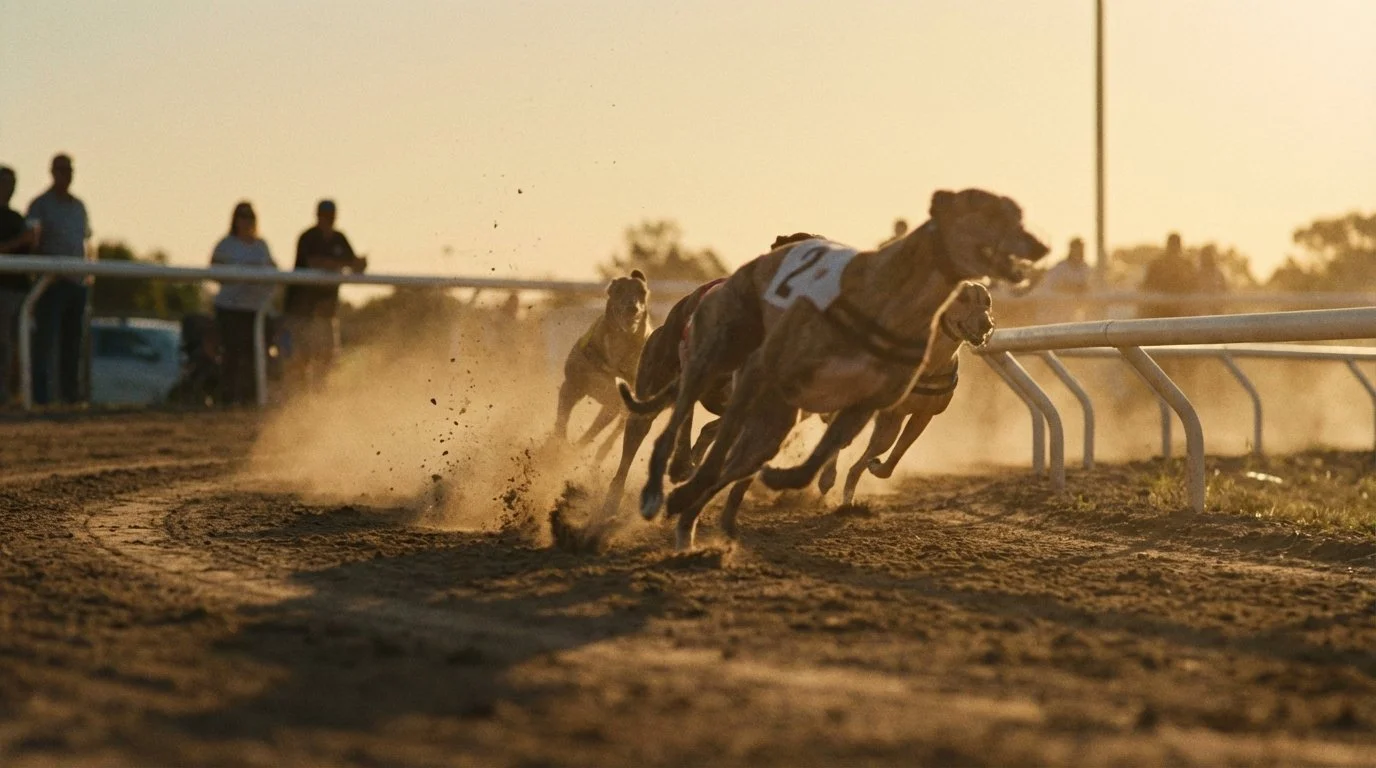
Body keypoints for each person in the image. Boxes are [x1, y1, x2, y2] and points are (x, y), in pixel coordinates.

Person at [25, 153, 93, 405]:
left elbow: (86, 241)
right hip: (51, 284)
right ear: (52, 172)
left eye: (70, 170)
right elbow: (33, 240)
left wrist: (89, 274)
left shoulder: (79, 206)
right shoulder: (40, 204)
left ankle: (70, 396)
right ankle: (40, 398)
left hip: (77, 283)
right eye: (62, 170)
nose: (67, 175)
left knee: (73, 344)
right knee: (45, 342)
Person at [282, 199, 365, 393]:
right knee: (300, 358)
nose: (327, 219)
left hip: (326, 312)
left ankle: (319, 394)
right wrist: (343, 263)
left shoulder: (339, 238)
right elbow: (315, 262)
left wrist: (357, 263)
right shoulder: (308, 237)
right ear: (317, 215)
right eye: (324, 215)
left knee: (327, 356)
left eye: (330, 216)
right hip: (301, 311)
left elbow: (353, 263)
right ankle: (299, 399)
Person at [210, 201, 278, 405]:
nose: (247, 222)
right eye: (243, 217)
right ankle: (227, 399)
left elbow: (272, 267)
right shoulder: (226, 244)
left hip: (256, 310)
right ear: (235, 220)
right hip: (230, 308)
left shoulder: (261, 245)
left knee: (255, 354)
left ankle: (252, 399)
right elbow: (214, 270)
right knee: (232, 354)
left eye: (250, 218)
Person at [0, 166, 39, 405]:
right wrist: (19, 242)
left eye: (11, 183)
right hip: (3, 291)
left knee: (16, 346)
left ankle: (15, 395)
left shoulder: (16, 218)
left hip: (20, 292)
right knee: (3, 344)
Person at [1030, 237, 1093, 323]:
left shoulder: (1086, 268)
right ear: (1071, 249)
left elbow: (1088, 287)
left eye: (1081, 249)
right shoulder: (1060, 267)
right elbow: (1055, 286)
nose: (1078, 251)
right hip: (1053, 313)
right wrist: (1073, 287)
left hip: (1072, 314)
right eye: (1076, 248)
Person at [1139, 232, 1196, 318]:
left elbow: (1194, 285)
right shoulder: (1157, 264)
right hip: (1160, 310)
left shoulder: (1187, 264)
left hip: (1181, 311)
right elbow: (1147, 286)